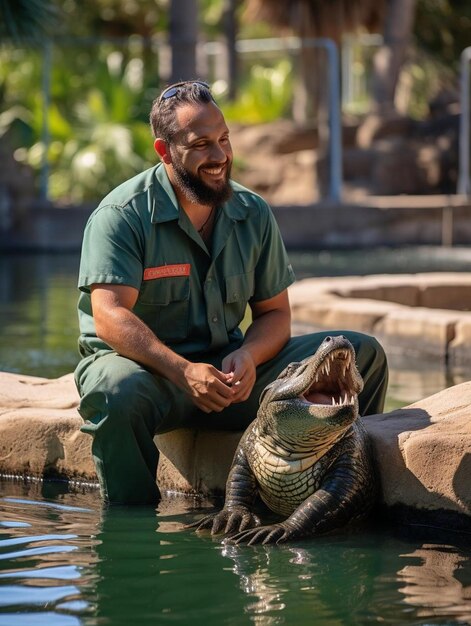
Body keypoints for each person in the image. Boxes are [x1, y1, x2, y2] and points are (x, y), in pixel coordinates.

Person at [74, 80, 388, 505]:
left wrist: (251, 356)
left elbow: (275, 314)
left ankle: (343, 490)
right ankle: (131, 525)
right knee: (115, 392)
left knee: (362, 352)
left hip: (230, 378)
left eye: (224, 139)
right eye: (201, 143)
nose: (220, 155)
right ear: (164, 151)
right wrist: (183, 371)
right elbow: (109, 316)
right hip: (152, 378)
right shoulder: (122, 216)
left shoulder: (252, 212)